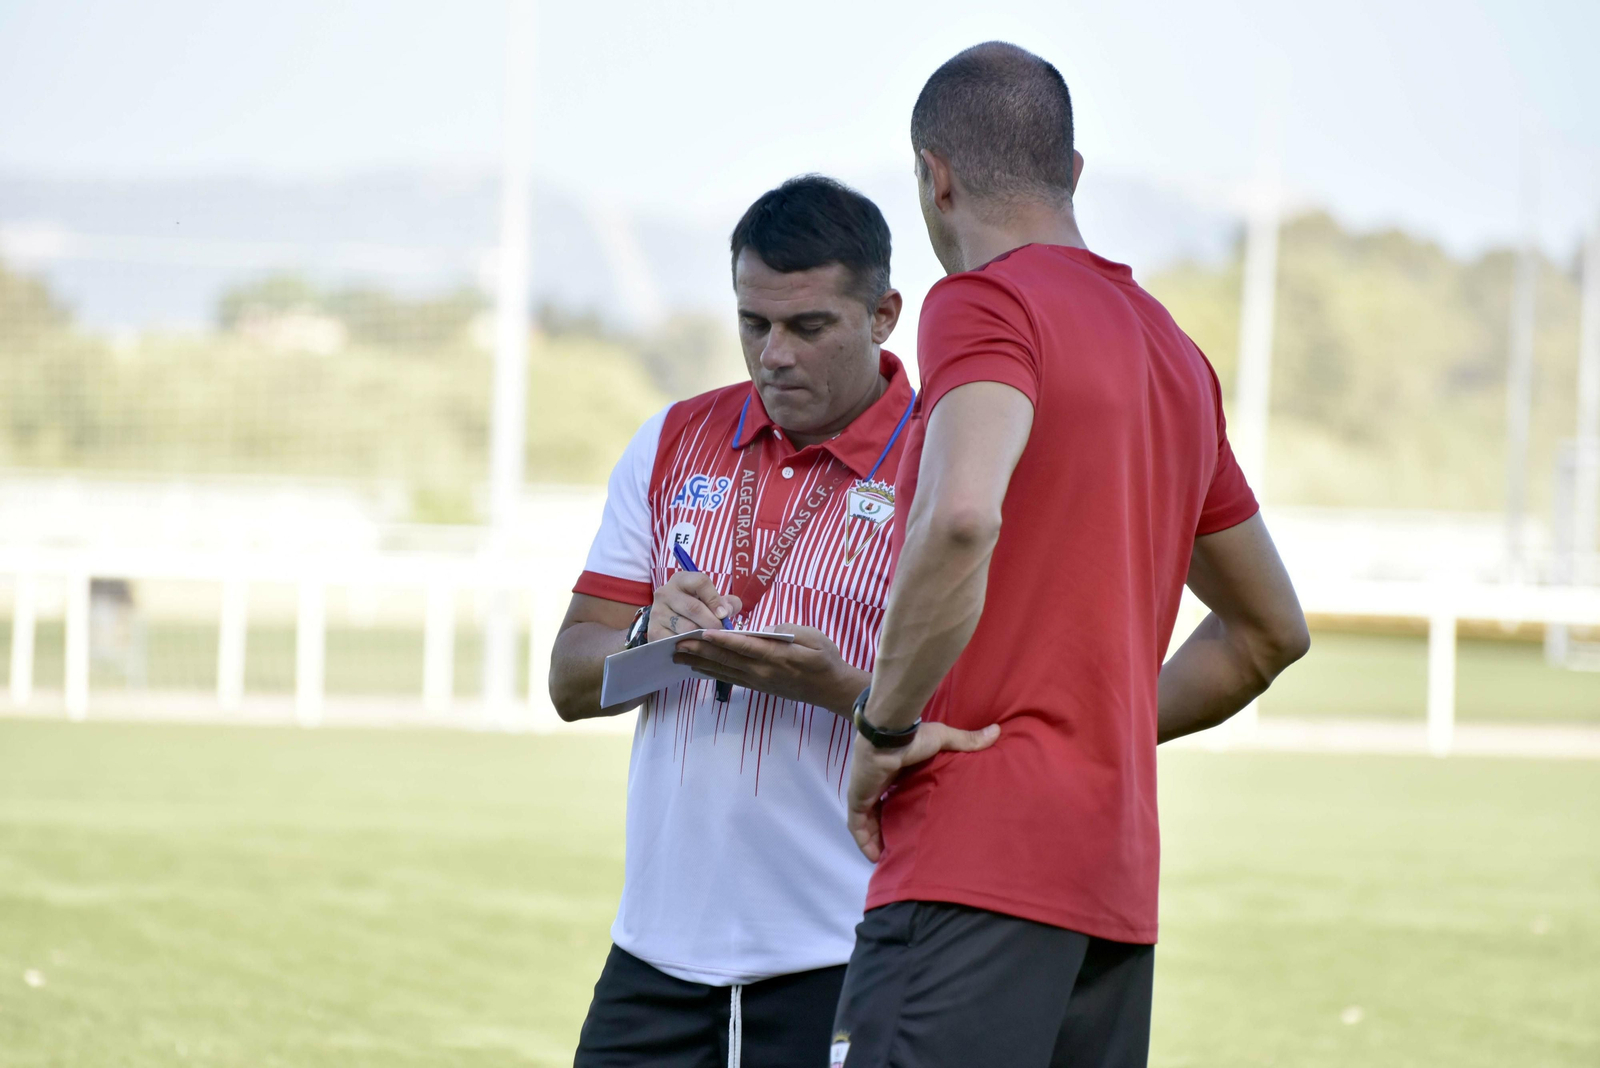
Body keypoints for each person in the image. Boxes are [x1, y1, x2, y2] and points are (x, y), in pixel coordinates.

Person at [829, 43, 1311, 1068]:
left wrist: (884, 726)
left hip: (970, 865)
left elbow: (962, 514)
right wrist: (1101, 729)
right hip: (1110, 888)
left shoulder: (984, 302)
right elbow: (1270, 632)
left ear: (935, 176)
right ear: (1074, 174)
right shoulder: (1174, 355)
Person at [549, 175, 993, 1068]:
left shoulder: (950, 462)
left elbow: (980, 721)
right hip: (655, 958)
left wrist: (841, 692)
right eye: (753, 323)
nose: (773, 354)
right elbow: (568, 680)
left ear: (882, 314)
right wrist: (648, 639)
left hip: (845, 952)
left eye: (807, 326)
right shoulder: (673, 438)